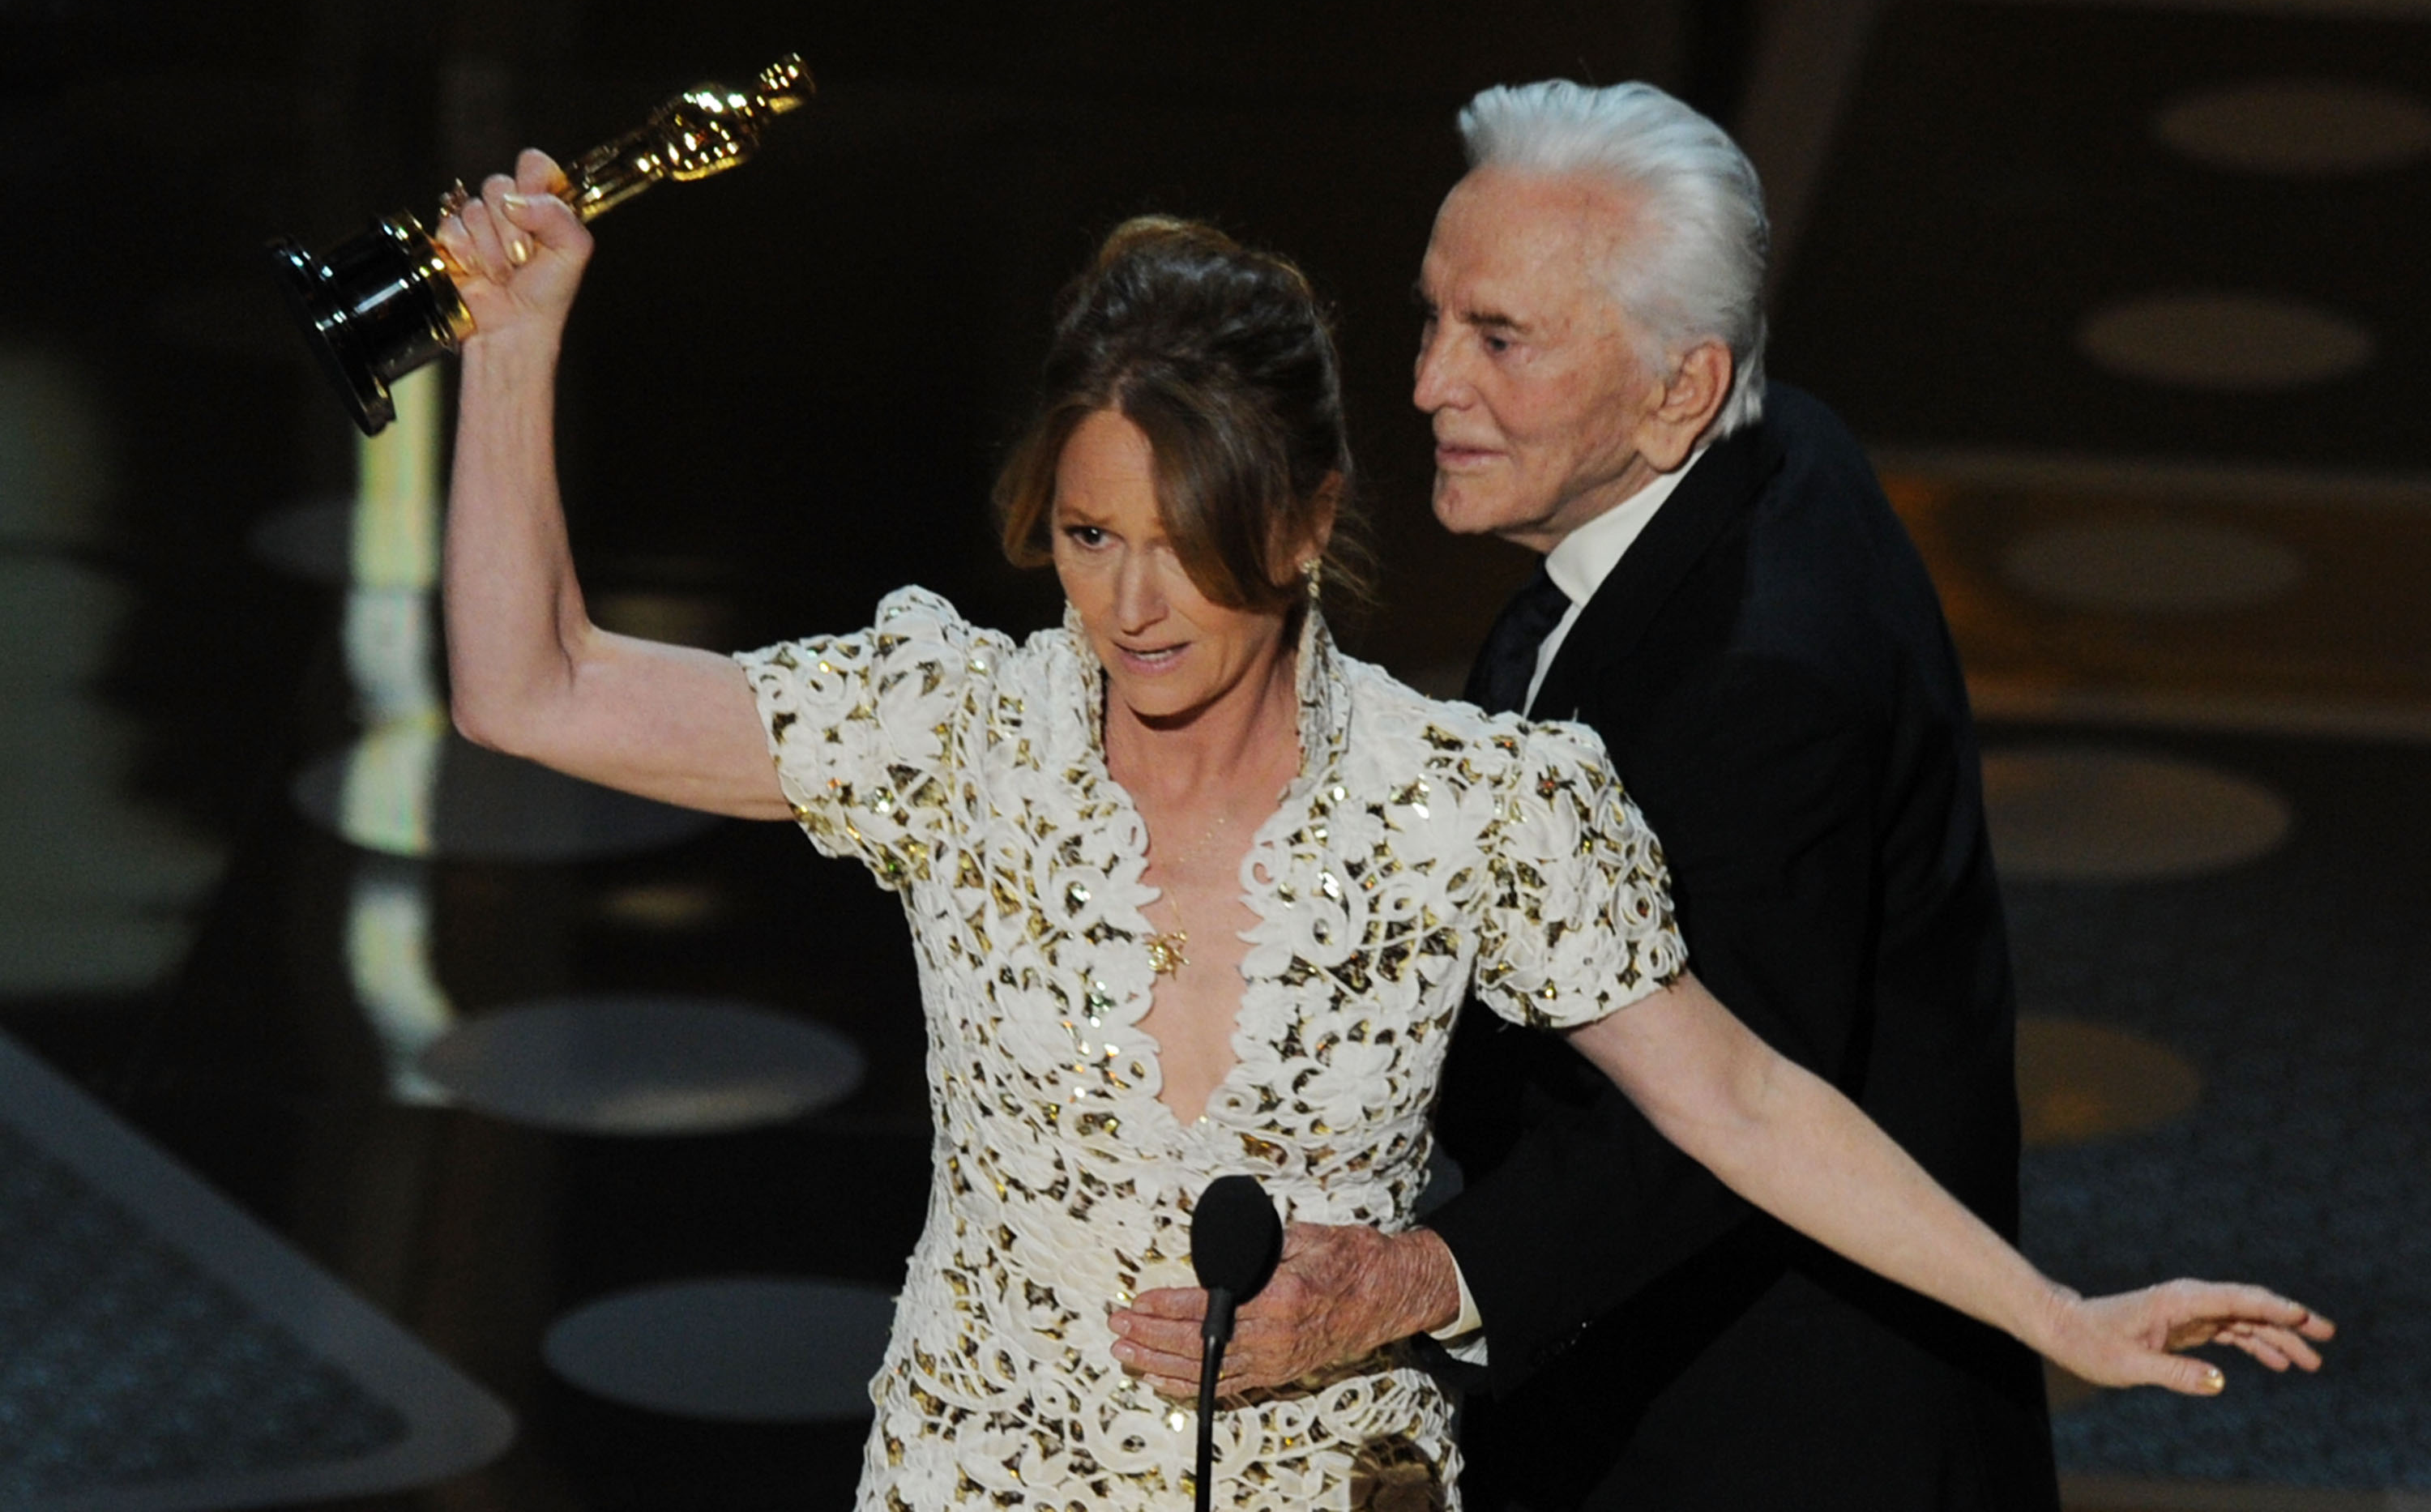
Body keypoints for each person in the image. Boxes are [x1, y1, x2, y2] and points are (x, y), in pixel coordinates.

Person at [434, 150, 2327, 1512]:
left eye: (1188, 543)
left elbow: (1744, 1101)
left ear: (1311, 515)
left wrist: (2062, 1315)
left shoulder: (1470, 803)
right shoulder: (960, 734)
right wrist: (514, 349)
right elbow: (535, 688)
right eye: (1090, 537)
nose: (1133, 606)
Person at [1104, 80, 2238, 1511]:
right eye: (1432, 318)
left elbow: (1712, 1110)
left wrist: (1412, 1281)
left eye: (1500, 338)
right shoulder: (1755, 459)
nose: (1431, 383)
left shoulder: (1760, 678)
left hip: (1773, 1444)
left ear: (1680, 387)